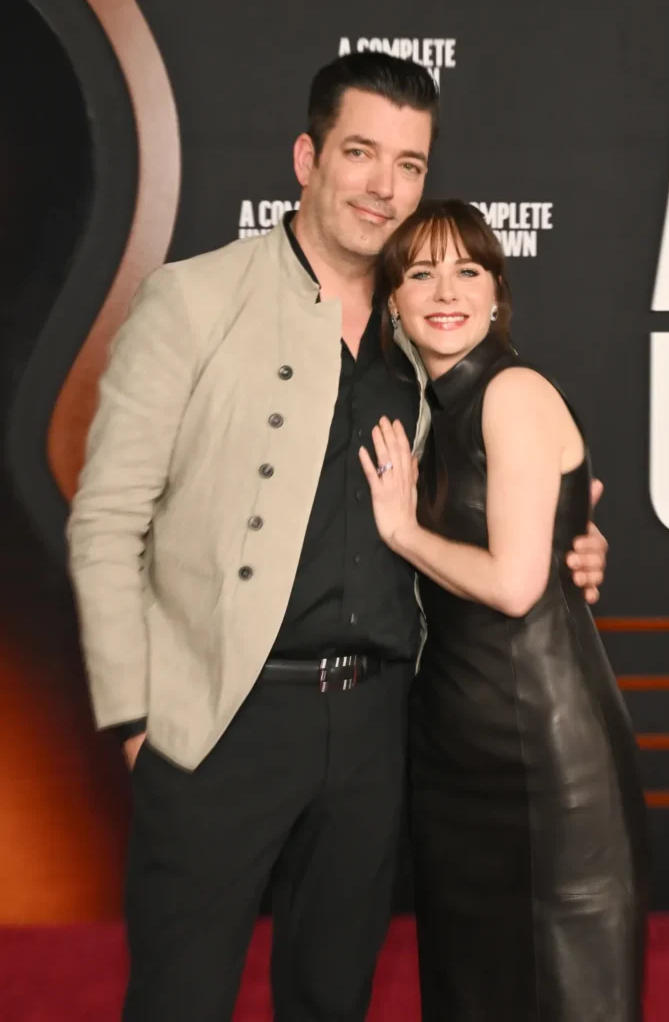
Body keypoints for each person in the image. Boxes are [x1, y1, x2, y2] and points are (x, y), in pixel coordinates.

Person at [67, 54, 609, 1022]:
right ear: (307, 157)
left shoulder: (426, 328)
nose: (384, 185)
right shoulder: (193, 299)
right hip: (219, 717)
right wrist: (136, 719)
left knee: (332, 996)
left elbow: (504, 484)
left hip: (377, 723)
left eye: (409, 163)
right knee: (178, 998)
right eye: (361, 153)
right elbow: (108, 518)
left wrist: (572, 537)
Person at [360, 198, 648, 1021]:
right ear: (394, 303)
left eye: (467, 270)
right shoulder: (424, 412)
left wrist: (403, 532)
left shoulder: (512, 391)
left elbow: (517, 586)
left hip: (549, 765)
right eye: (420, 274)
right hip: (455, 756)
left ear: (497, 294)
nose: (445, 291)